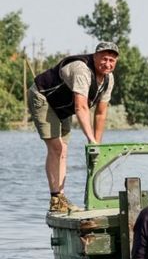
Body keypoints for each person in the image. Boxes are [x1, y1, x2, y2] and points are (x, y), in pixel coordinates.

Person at [28, 41, 119, 213]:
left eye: (111, 61)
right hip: (43, 97)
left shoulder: (109, 79)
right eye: (104, 59)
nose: (107, 64)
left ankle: (60, 198)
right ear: (95, 56)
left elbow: (100, 113)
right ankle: (56, 198)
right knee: (57, 148)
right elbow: (81, 107)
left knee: (63, 150)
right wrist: (90, 139)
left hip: (62, 106)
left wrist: (97, 144)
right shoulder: (82, 70)